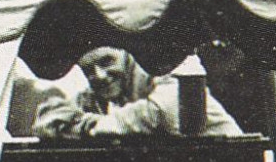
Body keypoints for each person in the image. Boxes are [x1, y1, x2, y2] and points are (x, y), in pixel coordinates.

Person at [32, 47, 241, 141]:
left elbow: (157, 112)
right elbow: (47, 119)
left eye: (107, 62)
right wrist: (89, 124)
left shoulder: (161, 71)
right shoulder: (98, 93)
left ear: (127, 56)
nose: (100, 76)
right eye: (88, 70)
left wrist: (93, 125)